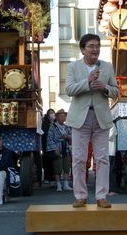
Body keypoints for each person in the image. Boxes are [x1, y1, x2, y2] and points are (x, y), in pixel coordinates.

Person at [65, 33, 119, 208]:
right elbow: (69, 90)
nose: (95, 49)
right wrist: (87, 82)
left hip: (101, 116)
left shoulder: (107, 67)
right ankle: (80, 195)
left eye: (97, 45)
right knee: (79, 158)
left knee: (102, 158)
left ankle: (101, 196)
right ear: (82, 49)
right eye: (91, 46)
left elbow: (116, 91)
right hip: (80, 117)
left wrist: (105, 88)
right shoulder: (73, 67)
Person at [46, 109, 72, 192]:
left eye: (64, 116)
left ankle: (66, 185)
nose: (62, 118)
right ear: (57, 117)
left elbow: (71, 137)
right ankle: (58, 185)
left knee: (66, 168)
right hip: (57, 148)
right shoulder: (53, 126)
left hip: (65, 148)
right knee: (58, 168)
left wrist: (68, 137)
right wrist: (55, 149)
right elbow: (50, 138)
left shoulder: (67, 127)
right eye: (60, 116)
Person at [41, 109, 56, 187]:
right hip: (47, 145)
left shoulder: (56, 123)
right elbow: (45, 134)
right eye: (50, 113)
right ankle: (49, 178)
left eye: (53, 112)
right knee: (48, 161)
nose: (52, 114)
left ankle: (56, 177)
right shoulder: (45, 124)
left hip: (56, 145)